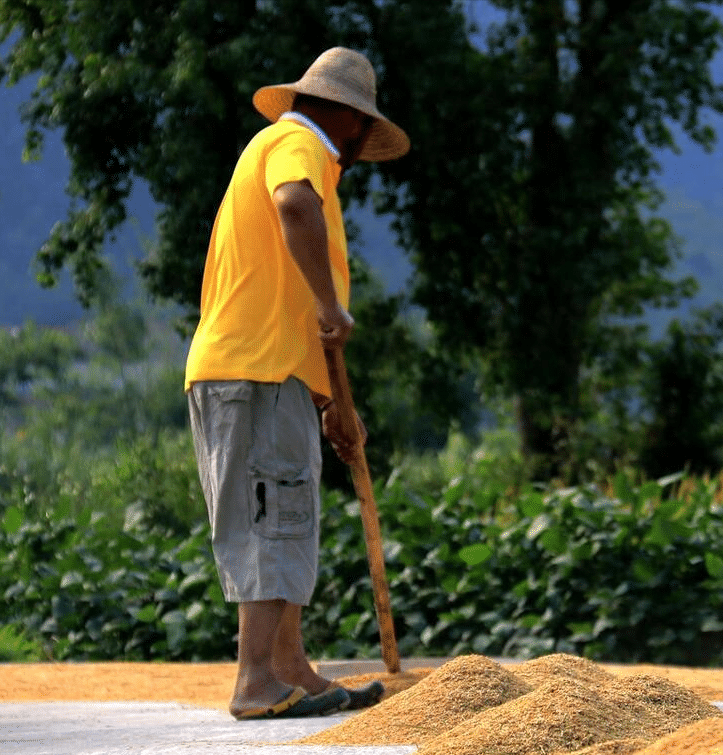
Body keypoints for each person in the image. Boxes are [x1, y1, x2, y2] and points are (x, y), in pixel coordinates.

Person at [184, 47, 410, 720]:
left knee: (287, 509)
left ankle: (289, 667)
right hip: (253, 371)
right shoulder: (295, 141)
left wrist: (336, 406)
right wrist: (332, 303)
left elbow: (307, 323)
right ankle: (255, 677)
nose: (356, 148)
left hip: (270, 373)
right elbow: (293, 208)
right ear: (348, 120)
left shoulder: (294, 148)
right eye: (361, 133)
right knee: (270, 513)